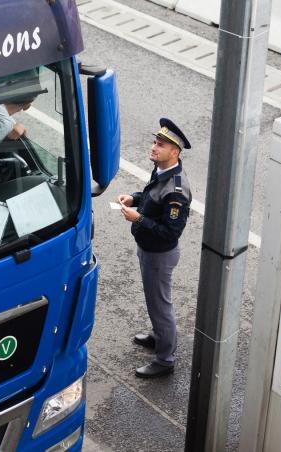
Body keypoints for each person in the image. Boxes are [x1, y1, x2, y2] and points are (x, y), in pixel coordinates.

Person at [118, 118, 192, 378]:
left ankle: (165, 359)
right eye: (154, 141)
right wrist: (135, 199)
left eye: (160, 145)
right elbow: (150, 197)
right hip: (147, 248)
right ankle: (157, 336)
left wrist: (138, 218)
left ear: (175, 152)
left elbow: (170, 232)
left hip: (159, 254)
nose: (154, 147)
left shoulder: (177, 192)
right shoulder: (161, 171)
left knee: (161, 306)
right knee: (154, 302)